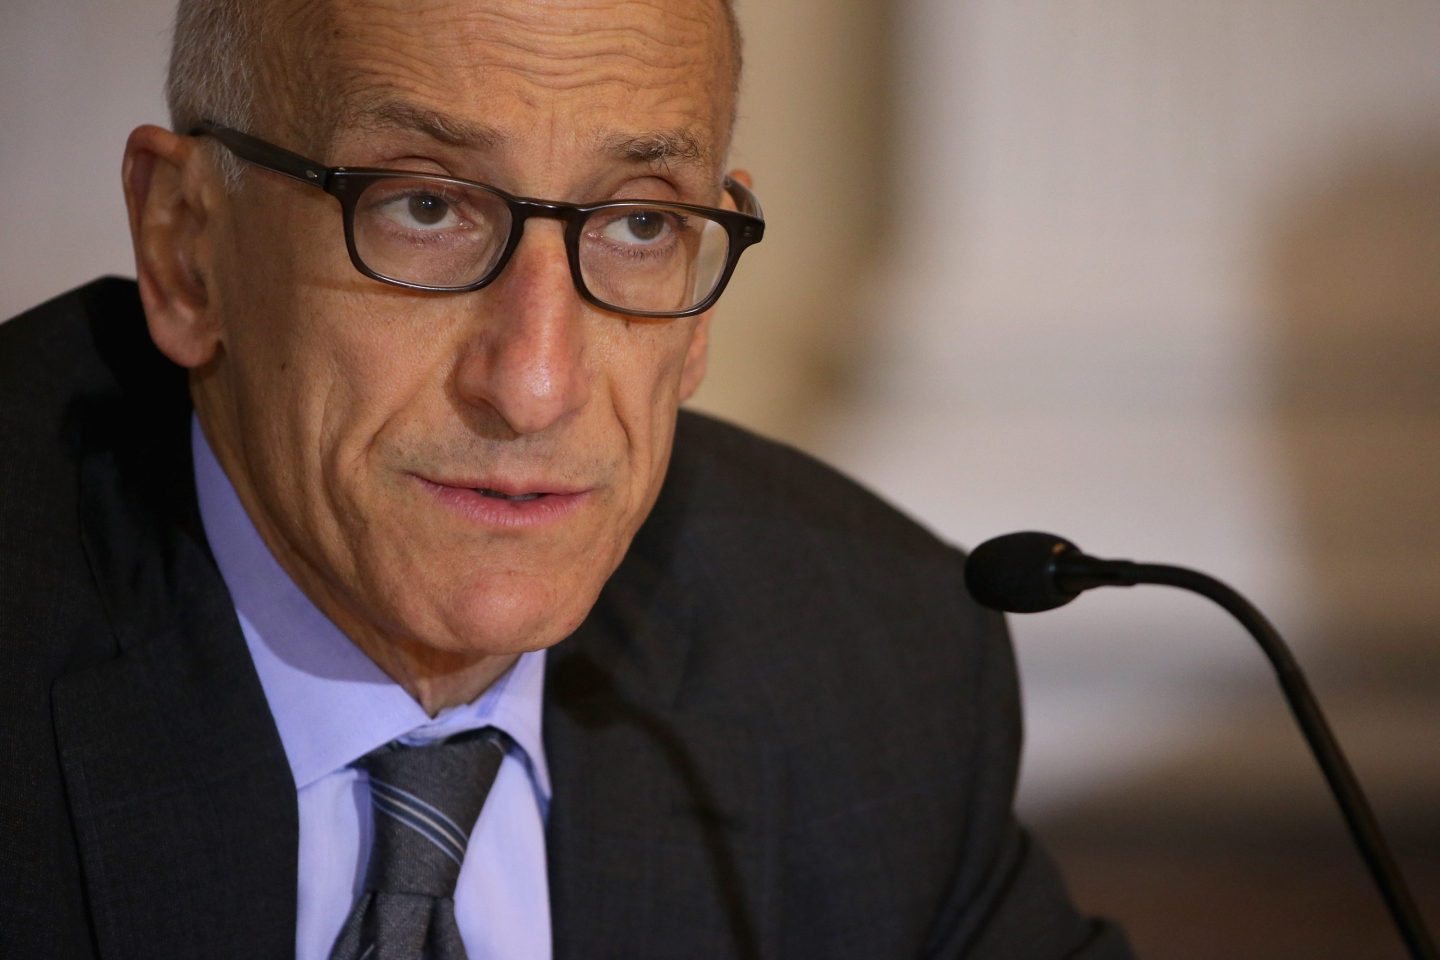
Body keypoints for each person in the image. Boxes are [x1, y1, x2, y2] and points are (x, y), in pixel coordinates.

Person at [0, 0, 1132, 957]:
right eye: (425, 206)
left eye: (640, 223)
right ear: (186, 247)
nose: (535, 386)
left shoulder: (877, 666)